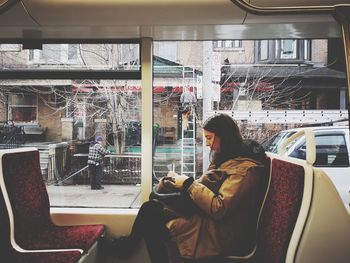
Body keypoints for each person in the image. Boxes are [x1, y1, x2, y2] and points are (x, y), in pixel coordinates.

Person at [101, 114, 268, 262]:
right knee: (151, 208)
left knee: (151, 215)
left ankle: (125, 247)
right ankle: (126, 247)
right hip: (207, 217)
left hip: (222, 232)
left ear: (224, 137)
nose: (208, 144)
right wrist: (178, 182)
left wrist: (188, 184)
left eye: (210, 138)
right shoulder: (227, 159)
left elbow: (219, 207)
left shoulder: (245, 170)